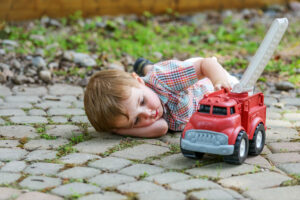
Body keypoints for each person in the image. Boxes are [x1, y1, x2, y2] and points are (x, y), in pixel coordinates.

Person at [84, 57, 239, 138]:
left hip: (204, 80)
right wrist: (119, 131)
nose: (148, 114)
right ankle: (146, 66)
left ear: (139, 80)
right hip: (158, 84)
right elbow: (162, 128)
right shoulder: (144, 107)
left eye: (142, 101)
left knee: (238, 86)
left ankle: (146, 67)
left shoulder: (164, 79)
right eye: (136, 120)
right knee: (154, 77)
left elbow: (207, 64)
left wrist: (219, 81)